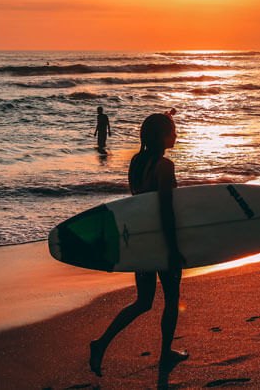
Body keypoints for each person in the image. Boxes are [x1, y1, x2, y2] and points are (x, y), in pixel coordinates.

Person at [89, 113, 188, 377]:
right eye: (172, 131)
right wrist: (174, 249)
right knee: (172, 298)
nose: (176, 135)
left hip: (141, 241)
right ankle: (166, 353)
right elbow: (165, 212)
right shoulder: (165, 166)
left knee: (143, 302)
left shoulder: (136, 162)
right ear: (160, 137)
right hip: (160, 242)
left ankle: (101, 343)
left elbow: (138, 203)